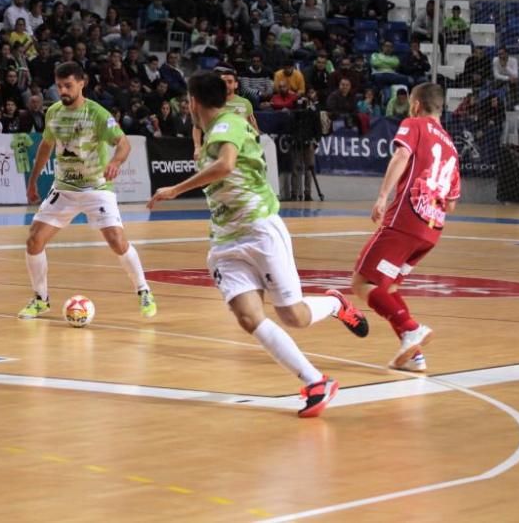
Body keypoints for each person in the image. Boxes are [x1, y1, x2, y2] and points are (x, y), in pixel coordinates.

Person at [147, 71, 369, 418]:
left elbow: (226, 165)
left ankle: (334, 304)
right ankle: (315, 381)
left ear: (192, 102)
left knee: (293, 316)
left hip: (260, 230)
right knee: (249, 318)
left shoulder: (228, 124)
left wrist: (174, 189)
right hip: (225, 241)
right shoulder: (209, 135)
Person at [19, 61, 157, 320]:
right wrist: (33, 180)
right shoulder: (54, 113)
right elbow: (46, 146)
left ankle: (143, 290)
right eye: (59, 86)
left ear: (82, 83)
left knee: (116, 241)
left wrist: (116, 162)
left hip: (96, 187)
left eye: (68, 85)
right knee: (34, 240)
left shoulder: (97, 114)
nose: (63, 91)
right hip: (64, 188)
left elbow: (124, 143)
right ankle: (40, 299)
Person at [351, 82, 461, 372]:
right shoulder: (451, 147)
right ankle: (413, 354)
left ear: (415, 104)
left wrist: (382, 196)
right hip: (432, 229)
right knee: (389, 286)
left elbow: (400, 156)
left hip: (406, 219)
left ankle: (411, 328)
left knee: (362, 283)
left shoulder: (414, 124)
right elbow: (451, 204)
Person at [192, 66, 257, 157]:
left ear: (236, 84)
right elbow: (197, 126)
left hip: (241, 148)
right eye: (223, 82)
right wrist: (197, 147)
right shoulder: (211, 102)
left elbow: (253, 128)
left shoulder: (245, 103)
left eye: (229, 82)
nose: (226, 85)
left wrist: (255, 135)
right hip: (215, 147)